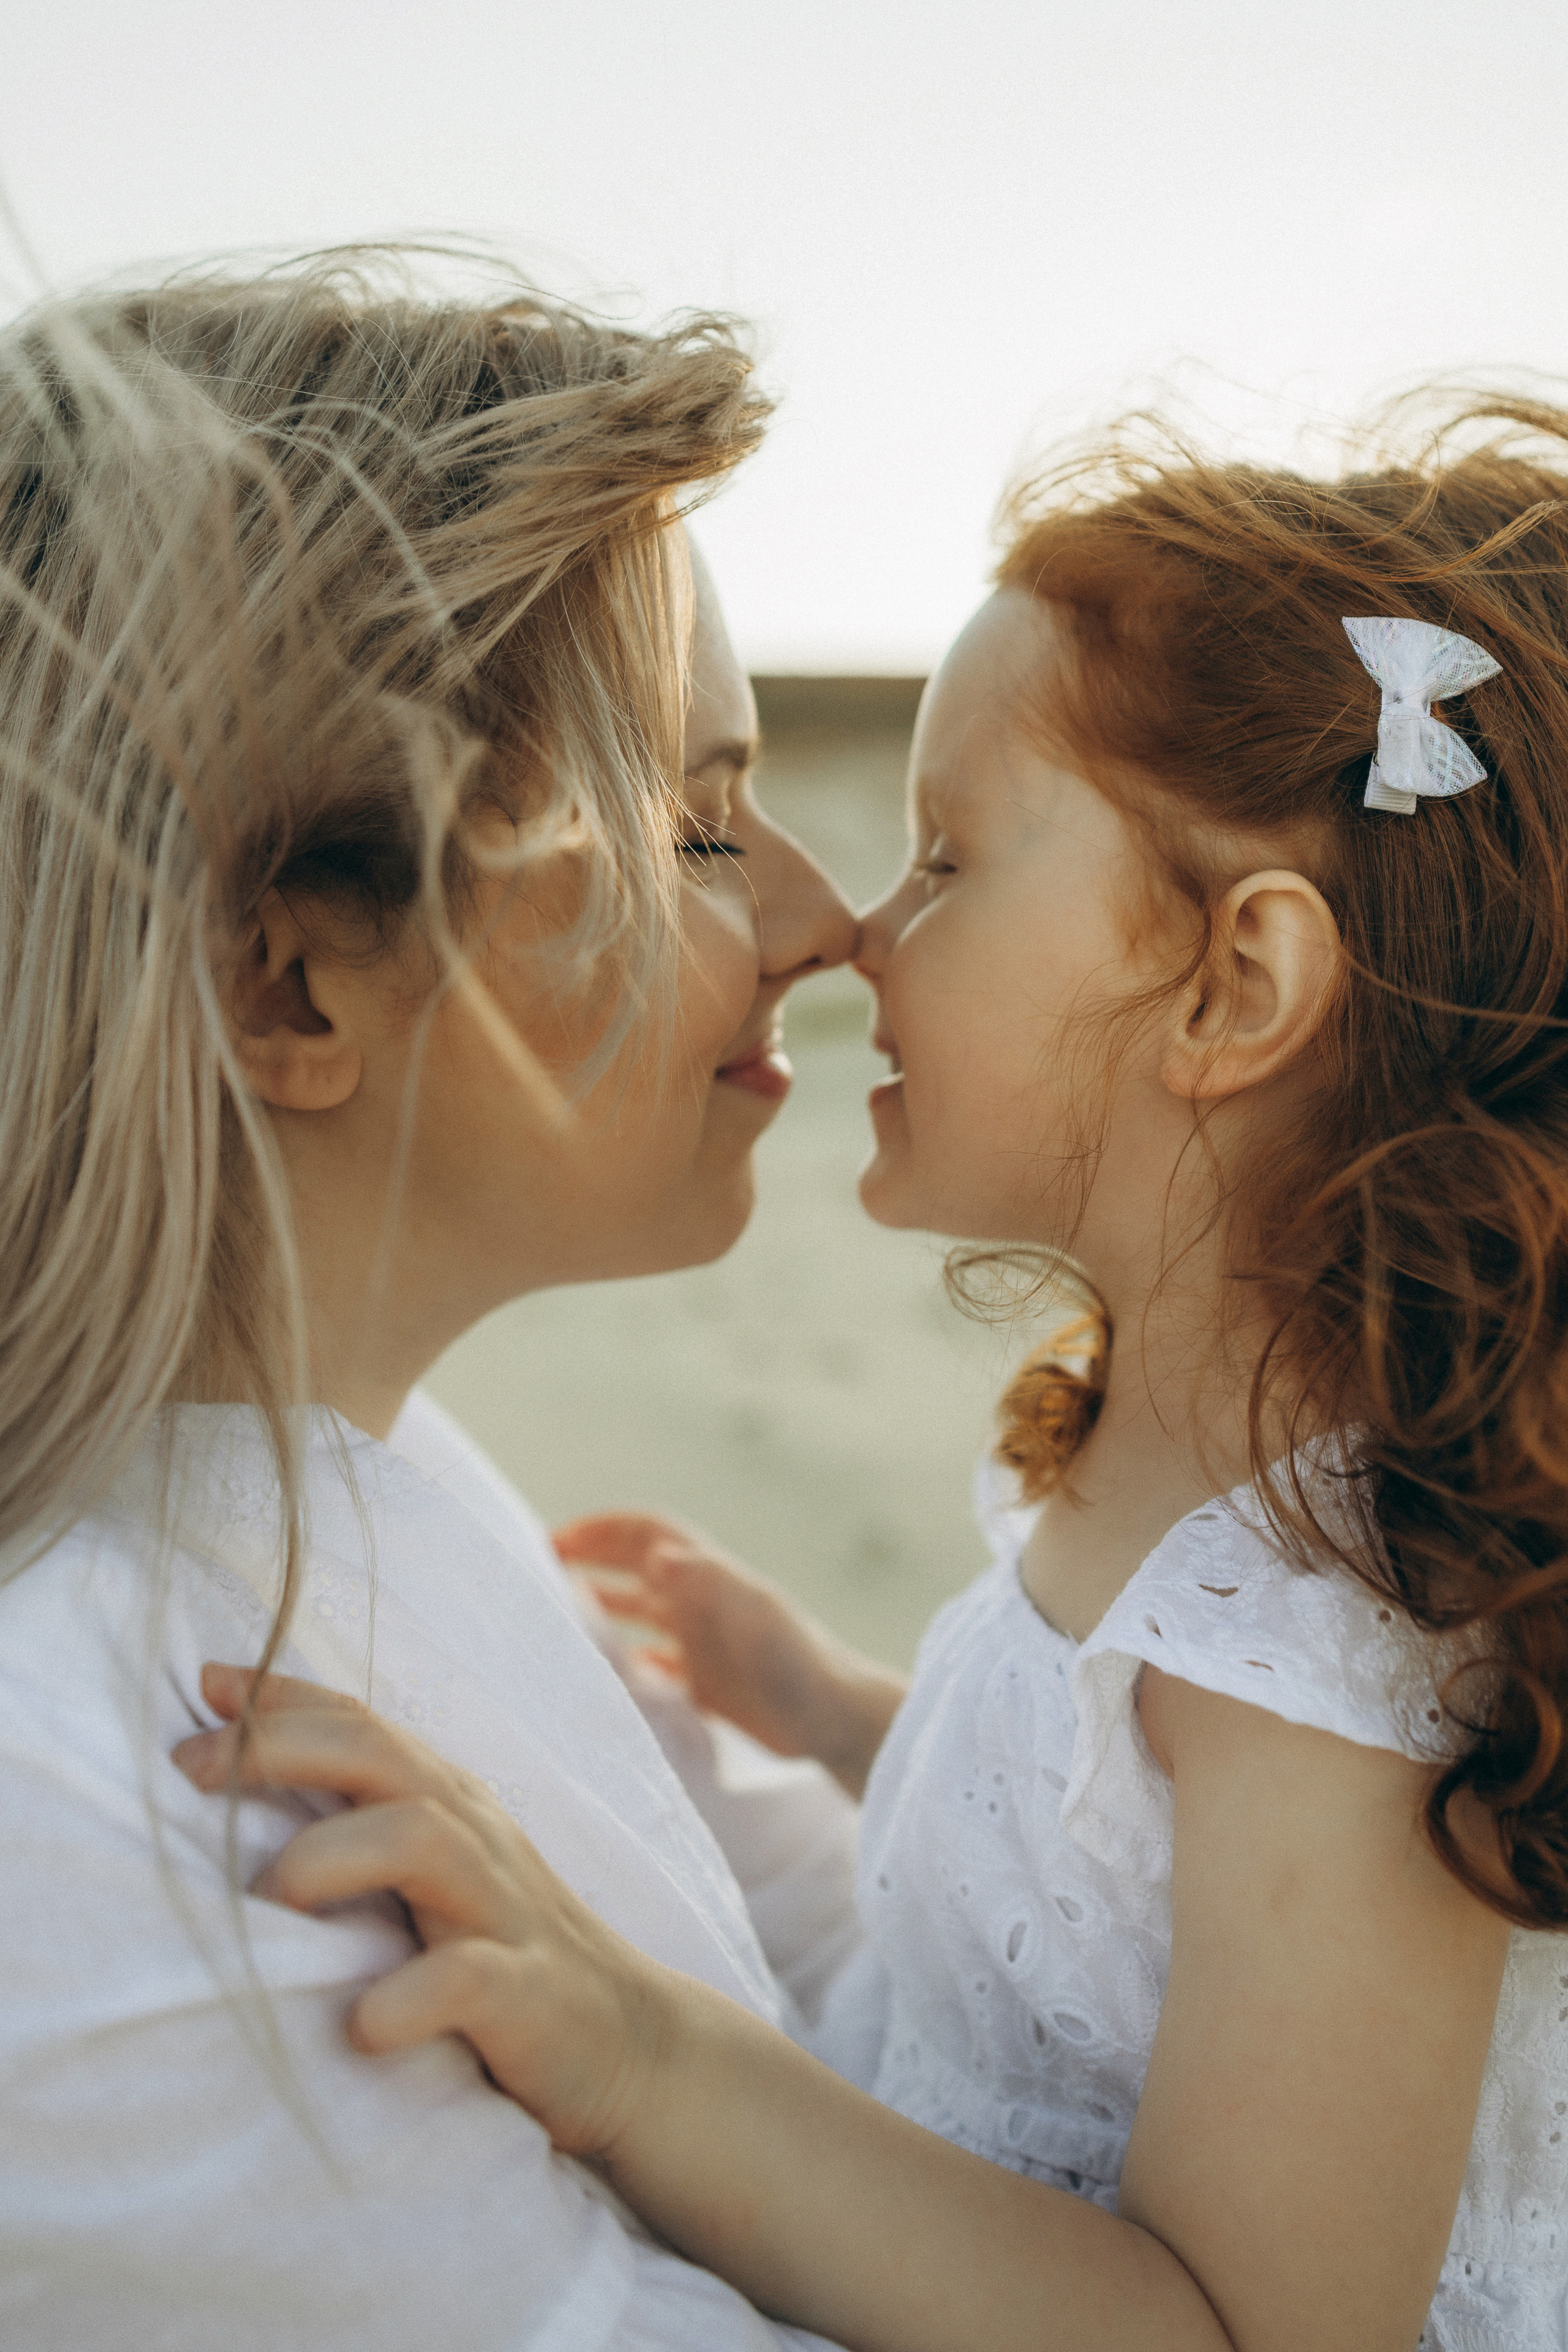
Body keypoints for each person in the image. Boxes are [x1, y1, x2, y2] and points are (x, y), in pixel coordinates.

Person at [194, 397, 1568, 2351]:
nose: (856, 927)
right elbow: (1107, 1883)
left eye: (944, 858)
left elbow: (1235, 2330)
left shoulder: (1334, 1646)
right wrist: (838, 1713)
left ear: (1236, 988)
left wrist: (647, 2056)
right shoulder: (1161, 1467)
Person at [0, 252, 866, 2350]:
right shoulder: (83, 1802)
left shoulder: (367, 1481)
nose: (828, 919)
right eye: (698, 824)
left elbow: (884, 1991)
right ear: (291, 982)